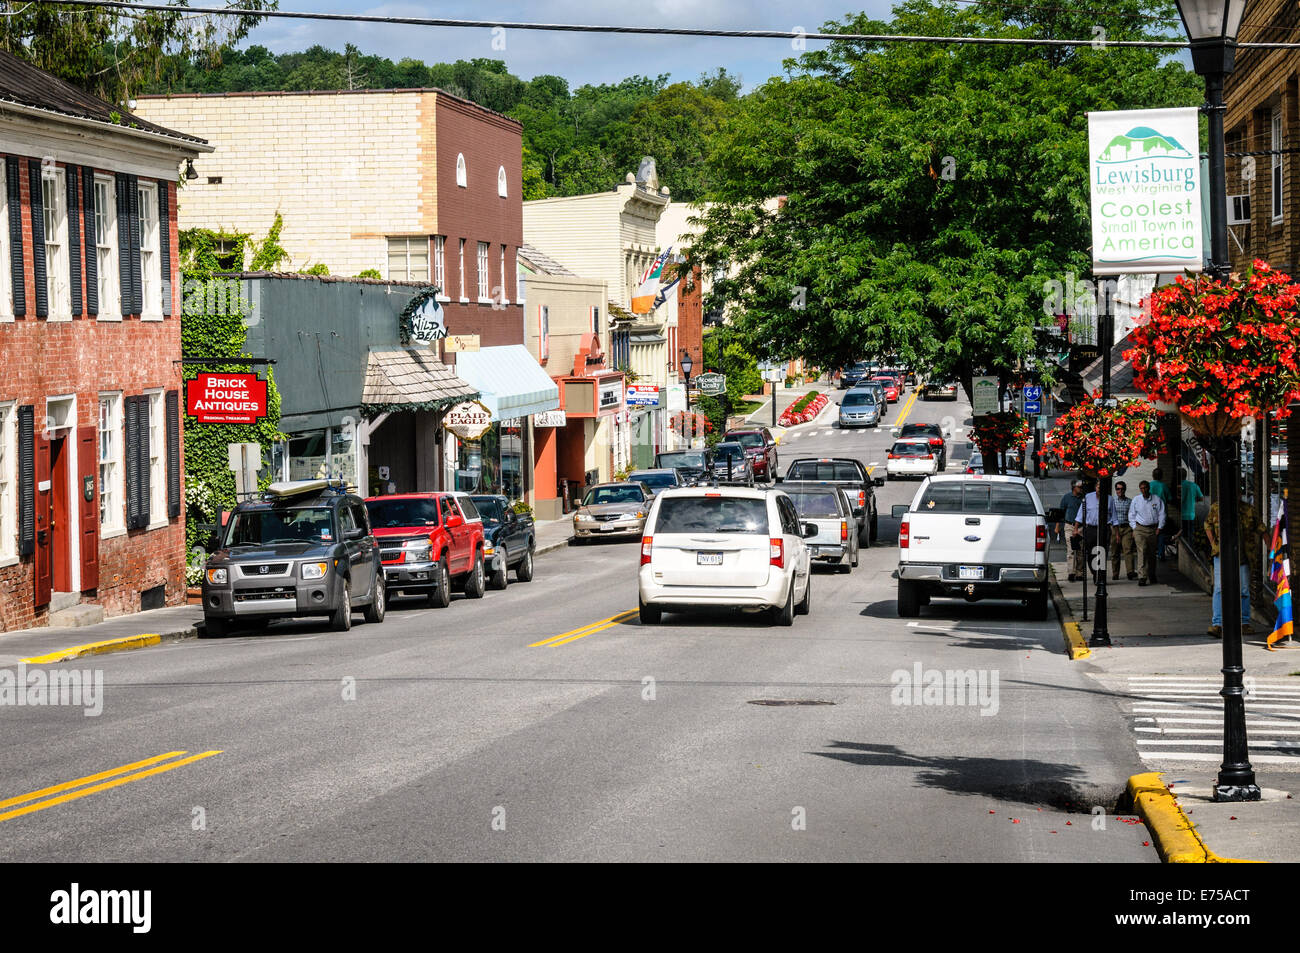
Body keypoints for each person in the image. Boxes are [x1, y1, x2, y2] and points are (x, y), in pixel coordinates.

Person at [1205, 495, 1265, 638]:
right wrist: (1214, 543)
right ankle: (1218, 624)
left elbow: (1261, 528)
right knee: (1219, 588)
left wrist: (1272, 549)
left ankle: (1243, 623)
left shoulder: (1247, 510)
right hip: (1221, 556)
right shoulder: (1216, 508)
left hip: (1242, 557)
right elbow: (1207, 525)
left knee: (1243, 589)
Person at [1074, 484, 1116, 585]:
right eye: (1098, 486)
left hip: (1104, 528)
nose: (1099, 489)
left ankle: (1100, 577)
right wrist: (1076, 528)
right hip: (1091, 529)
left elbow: (1114, 517)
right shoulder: (1088, 497)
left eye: (1101, 487)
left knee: (1102, 552)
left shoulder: (1109, 499)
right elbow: (1080, 514)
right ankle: (1095, 573)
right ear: (1095, 487)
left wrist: (1117, 533)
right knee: (1091, 554)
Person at [1129, 480, 1166, 587]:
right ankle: (1142, 577)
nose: (1143, 490)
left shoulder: (1157, 499)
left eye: (1145, 488)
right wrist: (1134, 527)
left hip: (1153, 529)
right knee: (1142, 551)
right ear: (1139, 489)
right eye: (1141, 488)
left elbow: (1162, 514)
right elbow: (1131, 514)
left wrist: (1160, 527)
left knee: (1151, 553)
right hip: (1140, 529)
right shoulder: (1136, 500)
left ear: (1148, 488)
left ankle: (1151, 574)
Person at [1110, 481, 1137, 580]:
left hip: (1127, 528)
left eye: (1122, 489)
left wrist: (1134, 529)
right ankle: (1115, 573)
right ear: (1115, 490)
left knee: (1128, 550)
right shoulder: (1112, 501)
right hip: (1115, 528)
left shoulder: (1130, 502)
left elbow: (1133, 516)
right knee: (1114, 551)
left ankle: (1130, 572)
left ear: (1125, 489)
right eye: (1118, 489)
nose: (1120, 491)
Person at [1058, 481, 1084, 576]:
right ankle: (1071, 572)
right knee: (1071, 550)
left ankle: (1079, 572)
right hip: (1069, 525)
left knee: (1080, 550)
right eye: (1079, 487)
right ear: (1074, 487)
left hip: (1081, 527)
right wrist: (1058, 527)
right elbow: (1061, 513)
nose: (1081, 489)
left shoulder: (1084, 499)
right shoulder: (1067, 497)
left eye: (1082, 487)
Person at [1150, 468, 1171, 560]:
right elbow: (1169, 499)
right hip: (1162, 512)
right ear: (1162, 476)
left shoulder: (1149, 485)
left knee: (1150, 532)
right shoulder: (1164, 486)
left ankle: (1151, 552)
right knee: (1161, 533)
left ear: (1152, 475)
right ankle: (1161, 553)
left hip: (1151, 512)